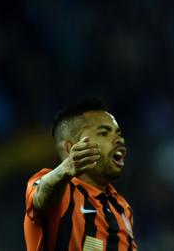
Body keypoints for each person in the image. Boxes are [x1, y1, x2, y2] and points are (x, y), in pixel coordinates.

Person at [24, 98, 137, 250]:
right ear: (71, 147)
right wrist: (64, 170)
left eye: (118, 133)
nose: (119, 140)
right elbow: (41, 198)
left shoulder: (122, 208)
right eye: (104, 133)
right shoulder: (60, 191)